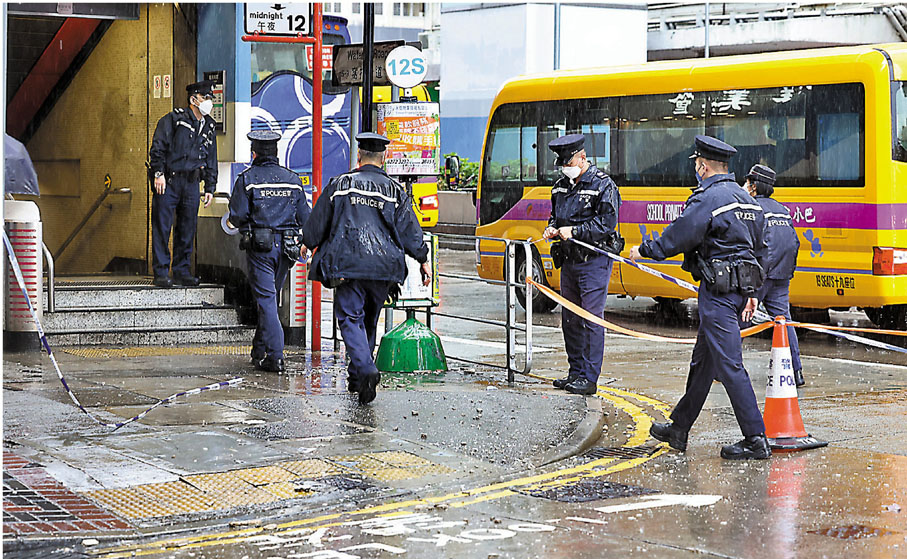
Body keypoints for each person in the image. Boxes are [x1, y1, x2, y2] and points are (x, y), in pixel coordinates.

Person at [628, 135, 771, 460]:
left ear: (703, 166)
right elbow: (762, 251)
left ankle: (755, 438)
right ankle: (679, 427)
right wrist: (753, 294)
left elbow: (681, 234)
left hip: (718, 293)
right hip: (737, 291)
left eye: (696, 165)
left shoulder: (708, 198)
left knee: (730, 365)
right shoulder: (746, 199)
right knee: (703, 362)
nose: (696, 170)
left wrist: (645, 251)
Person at [302, 132, 430, 404]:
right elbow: (410, 230)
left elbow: (319, 219)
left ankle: (367, 369)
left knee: (350, 319)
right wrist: (423, 259)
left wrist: (307, 242)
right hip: (384, 268)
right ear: (383, 159)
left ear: (358, 156)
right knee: (369, 321)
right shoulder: (395, 191)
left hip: (348, 264)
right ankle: (358, 379)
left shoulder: (341, 184)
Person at [543, 133, 622, 396]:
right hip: (569, 261)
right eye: (562, 164)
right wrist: (552, 228)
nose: (566, 167)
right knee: (570, 319)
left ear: (582, 157)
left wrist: (575, 231)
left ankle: (589, 377)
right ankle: (575, 372)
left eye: (569, 162)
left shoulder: (603, 186)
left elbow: (606, 224)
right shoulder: (560, 187)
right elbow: (555, 215)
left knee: (591, 319)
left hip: (593, 262)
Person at [228, 130, 310, 373]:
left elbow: (237, 215)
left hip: (261, 248)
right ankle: (259, 349)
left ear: (254, 153)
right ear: (275, 153)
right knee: (270, 299)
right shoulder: (293, 179)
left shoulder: (248, 179)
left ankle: (276, 356)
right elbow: (304, 217)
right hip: (287, 249)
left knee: (266, 301)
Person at [148, 79, 218, 288]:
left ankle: (181, 271)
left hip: (191, 183)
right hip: (169, 180)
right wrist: (158, 172)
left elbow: (211, 158)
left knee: (187, 228)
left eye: (209, 99)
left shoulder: (209, 126)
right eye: (205, 98)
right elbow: (158, 147)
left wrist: (210, 187)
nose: (208, 102)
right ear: (193, 99)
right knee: (162, 227)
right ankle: (161, 272)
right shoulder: (174, 120)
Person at [743, 164, 804, 386]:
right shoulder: (783, 210)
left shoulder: (751, 207)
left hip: (760, 274)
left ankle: (727, 370)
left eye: (748, 182)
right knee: (784, 322)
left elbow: (748, 243)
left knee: (737, 318)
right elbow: (793, 242)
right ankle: (796, 372)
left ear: (754, 185)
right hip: (781, 274)